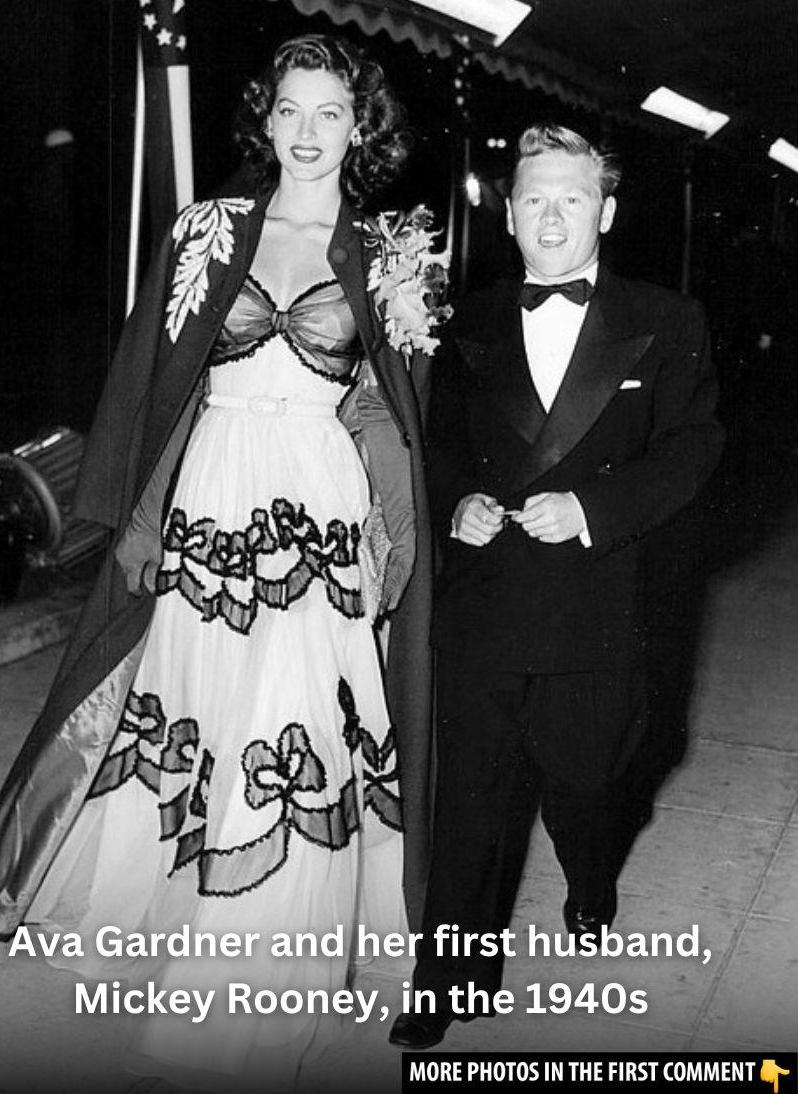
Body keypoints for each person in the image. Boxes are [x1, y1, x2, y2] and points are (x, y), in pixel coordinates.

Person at [0, 34, 433, 1090]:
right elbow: (155, 384)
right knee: (200, 711)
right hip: (209, 503)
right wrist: (135, 518)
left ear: (359, 128)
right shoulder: (204, 230)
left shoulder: (389, 250)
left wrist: (395, 533)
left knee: (292, 725)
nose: (307, 132)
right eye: (290, 109)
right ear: (264, 118)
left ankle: (247, 1007)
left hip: (319, 512)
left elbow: (389, 412)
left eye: (330, 112)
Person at [390, 123, 724, 1049]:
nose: (550, 216)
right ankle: (443, 983)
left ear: (604, 213)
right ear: (507, 214)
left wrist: (589, 508)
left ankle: (589, 875)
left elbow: (693, 447)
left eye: (571, 198)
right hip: (487, 603)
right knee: (468, 802)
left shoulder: (667, 321)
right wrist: (456, 501)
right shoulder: (464, 322)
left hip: (598, 604)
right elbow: (438, 444)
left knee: (587, 783)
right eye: (532, 197)